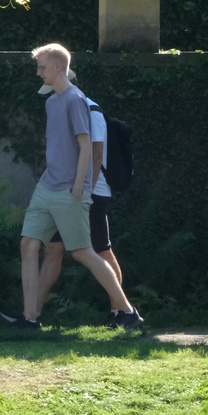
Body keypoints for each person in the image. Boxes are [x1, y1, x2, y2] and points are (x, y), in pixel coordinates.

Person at [3, 45, 143, 330]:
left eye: (41, 67)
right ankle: (30, 318)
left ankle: (128, 313)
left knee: (82, 252)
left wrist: (80, 188)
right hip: (47, 186)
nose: (38, 72)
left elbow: (86, 148)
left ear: (57, 67)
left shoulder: (75, 100)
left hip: (70, 190)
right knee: (28, 244)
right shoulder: (51, 102)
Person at [35, 73, 138, 328]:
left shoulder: (89, 110)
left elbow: (95, 153)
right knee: (53, 248)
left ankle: (120, 313)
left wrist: (84, 193)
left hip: (89, 194)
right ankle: (31, 314)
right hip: (68, 192)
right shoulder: (67, 107)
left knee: (101, 250)